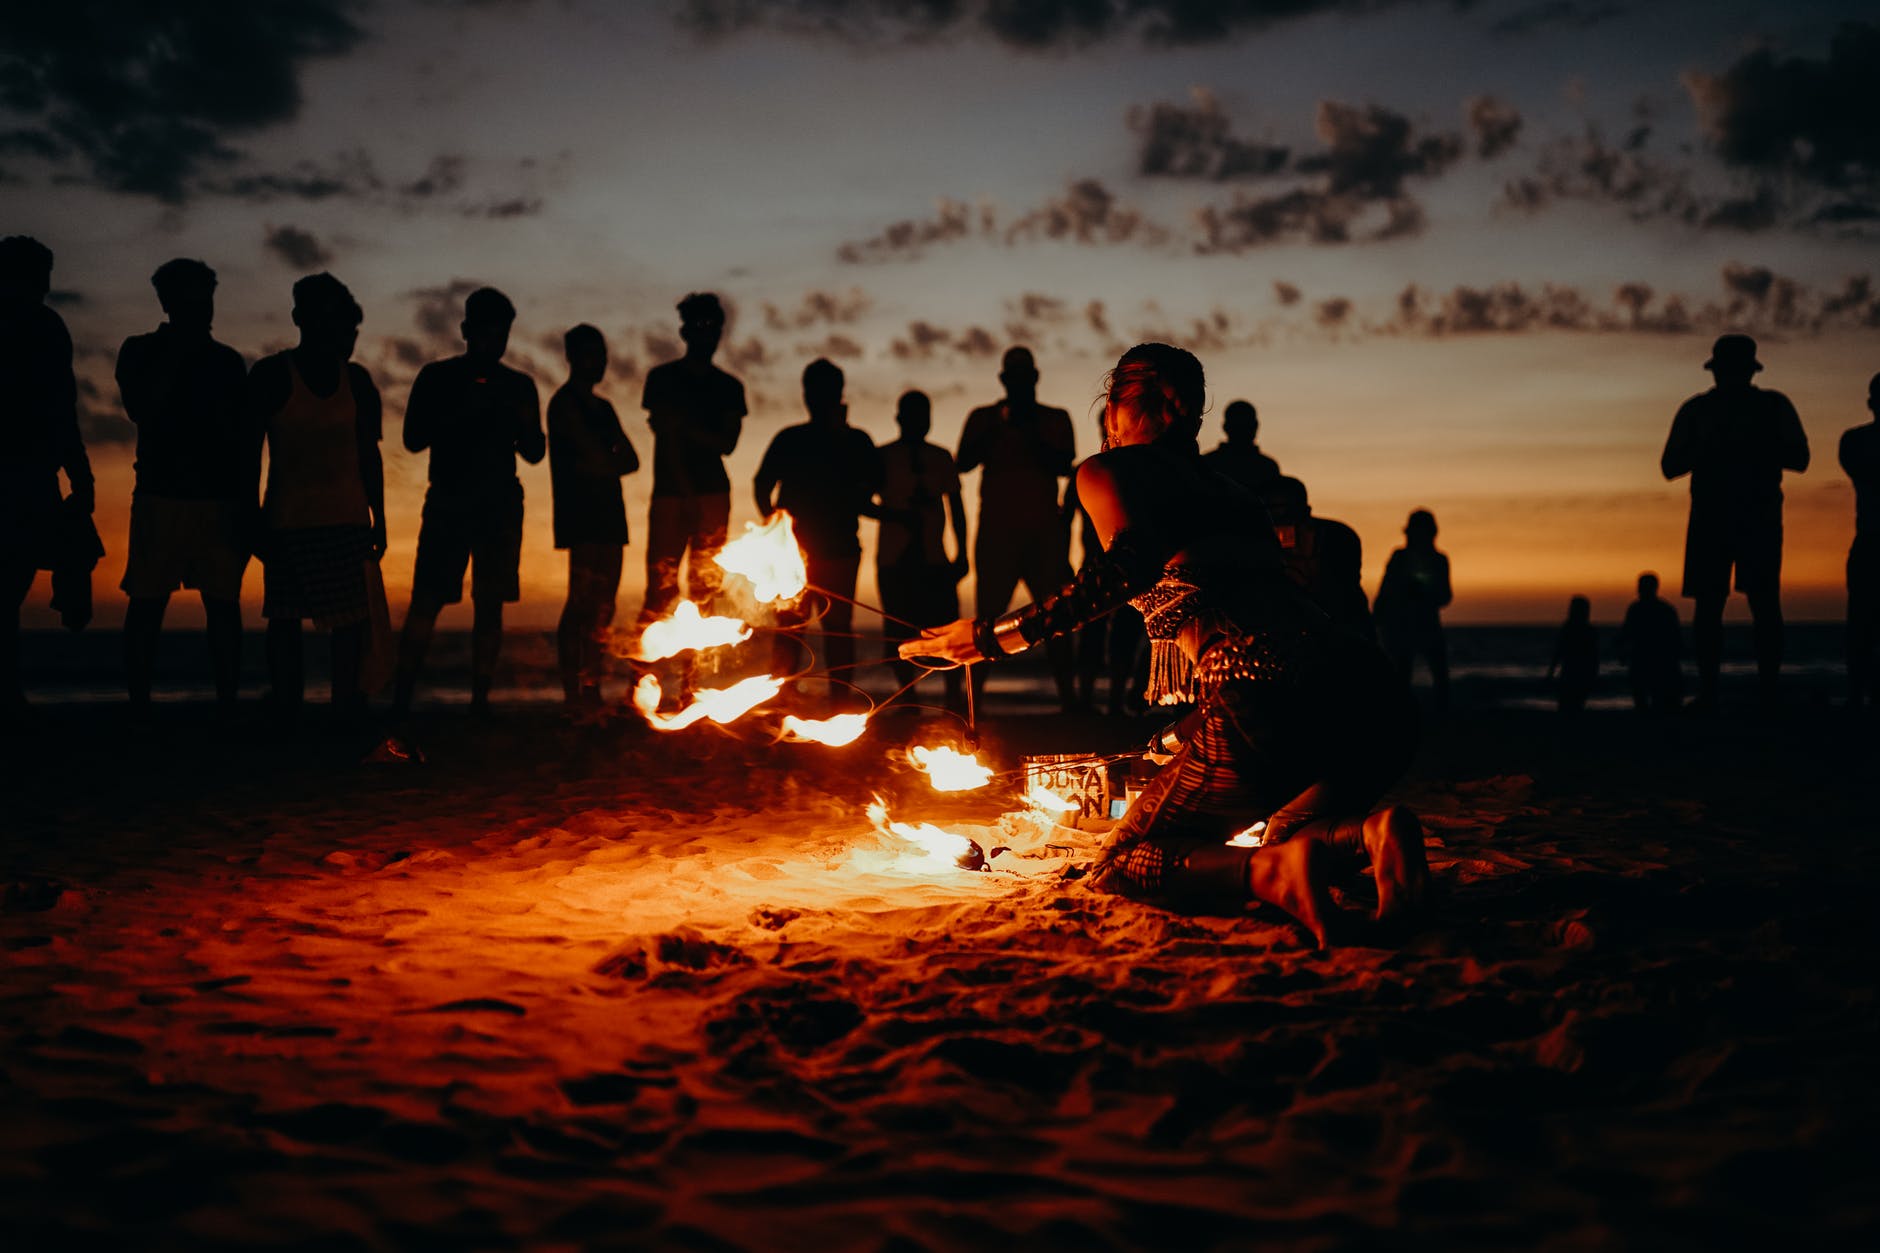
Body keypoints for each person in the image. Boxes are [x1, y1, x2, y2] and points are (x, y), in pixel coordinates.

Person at [904, 343, 1426, 948]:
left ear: (1117, 408)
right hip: (1372, 695)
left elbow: (1125, 572)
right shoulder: (1239, 496)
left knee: (1127, 859)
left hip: (1264, 690)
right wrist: (1178, 737)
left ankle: (1269, 876)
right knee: (1288, 830)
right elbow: (1260, 609)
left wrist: (990, 638)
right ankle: (1375, 835)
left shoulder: (1109, 472)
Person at [392, 286, 543, 718]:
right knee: (428, 599)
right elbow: (412, 438)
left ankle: (479, 702)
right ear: (466, 330)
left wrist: (519, 420)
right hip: (450, 501)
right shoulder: (438, 378)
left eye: (502, 334)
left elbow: (534, 451)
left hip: (496, 504)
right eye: (488, 332)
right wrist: (460, 413)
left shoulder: (517, 386)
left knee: (489, 604)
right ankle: (402, 700)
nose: (495, 342)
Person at [246, 273, 385, 720]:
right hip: (288, 520)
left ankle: (346, 707)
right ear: (301, 320)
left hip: (346, 520)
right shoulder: (271, 375)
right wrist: (252, 518)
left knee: (349, 626)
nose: (342, 336)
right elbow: (249, 454)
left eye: (346, 327)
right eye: (332, 323)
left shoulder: (358, 382)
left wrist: (378, 519)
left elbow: (370, 455)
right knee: (285, 620)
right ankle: (288, 705)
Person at [115, 258, 249, 711]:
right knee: (148, 604)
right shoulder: (140, 350)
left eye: (206, 296)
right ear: (168, 302)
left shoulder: (228, 363)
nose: (202, 307)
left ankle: (227, 704)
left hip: (218, 499)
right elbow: (142, 409)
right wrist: (177, 350)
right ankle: (139, 705)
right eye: (191, 297)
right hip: (161, 494)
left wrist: (245, 505)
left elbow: (242, 442)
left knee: (223, 607)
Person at [1661, 334, 1809, 712]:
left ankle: (1763, 692)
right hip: (1719, 517)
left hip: (1753, 516)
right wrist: (1712, 448)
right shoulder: (1699, 411)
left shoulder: (1770, 406)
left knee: (1757, 604)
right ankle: (1716, 692)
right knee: (1715, 606)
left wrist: (1748, 446)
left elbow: (1800, 457)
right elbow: (1669, 465)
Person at [1, 236, 93, 714]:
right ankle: (10, 694)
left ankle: (10, 693)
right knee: (11, 587)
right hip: (31, 471)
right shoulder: (44, 326)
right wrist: (80, 473)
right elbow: (61, 406)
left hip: (31, 469)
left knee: (10, 589)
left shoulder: (44, 325)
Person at [956, 346, 1077, 712]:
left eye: (1025, 379)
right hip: (997, 534)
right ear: (1004, 381)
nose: (1020, 385)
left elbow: (1062, 463)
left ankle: (1070, 701)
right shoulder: (984, 417)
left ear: (1035, 380)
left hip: (1042, 534)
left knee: (1058, 618)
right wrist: (998, 428)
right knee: (987, 620)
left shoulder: (1055, 418)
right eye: (1014, 379)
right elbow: (962, 462)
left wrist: (1028, 433)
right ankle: (974, 703)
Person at [753, 358, 882, 699]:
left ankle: (835, 699)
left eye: (826, 391)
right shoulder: (792, 439)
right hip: (797, 550)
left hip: (839, 547)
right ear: (806, 396)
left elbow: (872, 488)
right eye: (816, 391)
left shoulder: (854, 441)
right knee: (792, 628)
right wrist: (777, 532)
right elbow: (761, 484)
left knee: (835, 629)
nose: (820, 398)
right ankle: (785, 695)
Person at [547, 324, 638, 706]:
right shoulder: (564, 403)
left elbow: (629, 459)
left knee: (605, 605)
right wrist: (603, 460)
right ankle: (573, 692)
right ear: (573, 356)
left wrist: (601, 462)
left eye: (602, 355)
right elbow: (591, 458)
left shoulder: (603, 408)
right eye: (592, 354)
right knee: (581, 602)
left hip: (610, 513)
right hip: (580, 513)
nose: (600, 362)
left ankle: (592, 687)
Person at [641, 292, 745, 623]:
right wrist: (686, 491)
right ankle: (640, 674)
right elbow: (666, 435)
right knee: (660, 587)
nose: (707, 333)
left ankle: (692, 676)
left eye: (713, 327)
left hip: (712, 494)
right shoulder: (662, 379)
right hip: (671, 493)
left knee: (705, 590)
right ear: (685, 331)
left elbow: (727, 443)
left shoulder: (729, 387)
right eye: (700, 325)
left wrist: (682, 426)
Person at [874, 390, 968, 712]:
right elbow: (859, 501)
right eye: (913, 415)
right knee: (898, 631)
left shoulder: (941, 457)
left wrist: (963, 553)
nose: (918, 422)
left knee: (943, 626)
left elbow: (956, 507)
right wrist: (897, 515)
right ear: (900, 419)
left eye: (923, 416)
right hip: (895, 559)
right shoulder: (882, 457)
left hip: (933, 558)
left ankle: (952, 698)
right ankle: (910, 699)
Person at [1258, 475, 1372, 640]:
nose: (1281, 531)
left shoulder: (1339, 537)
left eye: (1285, 517)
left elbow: (1343, 594)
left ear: (1304, 513)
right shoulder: (1259, 546)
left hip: (1342, 631)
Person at [1373, 509, 1452, 710]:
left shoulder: (1438, 560)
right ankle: (1402, 714)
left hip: (1426, 625)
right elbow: (1385, 590)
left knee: (1439, 674)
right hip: (1401, 625)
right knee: (1401, 673)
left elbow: (1445, 596)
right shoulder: (1399, 558)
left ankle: (1440, 712)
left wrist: (1425, 593)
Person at [1840, 374, 1879, 710]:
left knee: (1861, 623)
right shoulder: (1855, 442)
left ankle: (1857, 695)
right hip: (1869, 541)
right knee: (1861, 624)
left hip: (1868, 542)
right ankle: (1857, 694)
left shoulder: (1855, 442)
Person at [1615, 572, 1683, 713]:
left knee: (1645, 701)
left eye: (1640, 586)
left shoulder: (1637, 609)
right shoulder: (1666, 609)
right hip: (1659, 661)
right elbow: (1676, 638)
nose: (1638, 589)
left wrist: (1620, 650)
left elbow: (1626, 633)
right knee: (1654, 701)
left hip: (1645, 660)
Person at [1201, 399, 1280, 494]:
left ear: (1225, 427)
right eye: (1239, 425)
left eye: (1246, 424)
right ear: (1255, 426)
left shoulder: (1207, 463)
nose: (1243, 430)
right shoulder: (1268, 467)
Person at [1547, 595, 1598, 717]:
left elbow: (1558, 653)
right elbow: (1595, 657)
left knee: (1566, 707)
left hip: (1570, 674)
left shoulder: (1569, 628)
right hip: (1579, 675)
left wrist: (1550, 674)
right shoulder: (1588, 630)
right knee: (1576, 706)